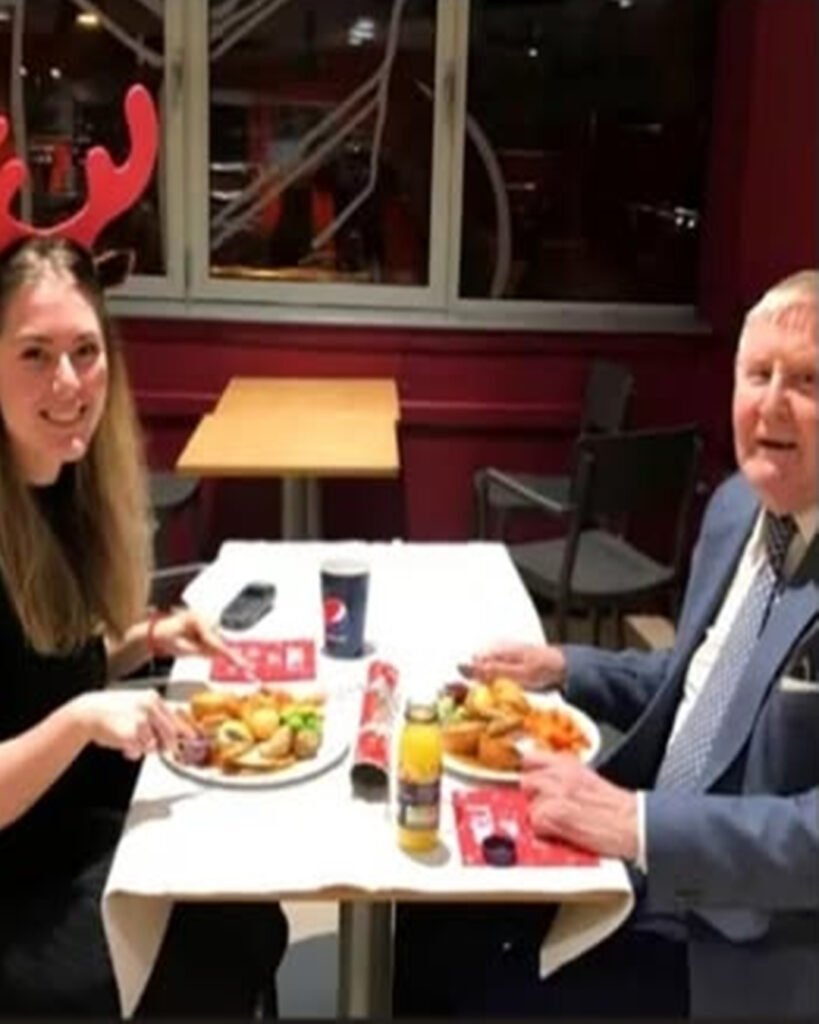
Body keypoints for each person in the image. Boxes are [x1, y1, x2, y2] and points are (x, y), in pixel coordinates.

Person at [393, 268, 819, 1021]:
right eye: (758, 374)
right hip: (636, 861)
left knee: (495, 999)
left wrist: (639, 824)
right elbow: (698, 678)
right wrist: (566, 665)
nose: (773, 404)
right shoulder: (735, 510)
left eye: (808, 381)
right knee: (428, 910)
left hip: (740, 944)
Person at [0, 237, 288, 1016]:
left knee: (249, 906)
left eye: (85, 351)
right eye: (34, 354)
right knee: (215, 944)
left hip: (64, 823)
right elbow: (58, 708)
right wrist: (81, 719)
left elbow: (45, 664)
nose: (67, 381)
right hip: (14, 888)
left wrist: (151, 635)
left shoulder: (58, 492)